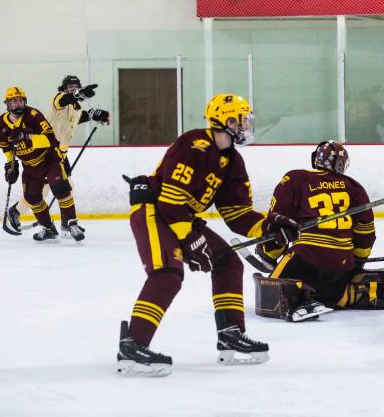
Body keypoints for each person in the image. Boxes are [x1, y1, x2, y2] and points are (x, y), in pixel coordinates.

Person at [117, 94, 300, 376]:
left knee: (228, 261)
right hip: (154, 212)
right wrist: (192, 240)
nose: (245, 127)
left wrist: (270, 227)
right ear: (224, 120)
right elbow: (170, 201)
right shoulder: (195, 145)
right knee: (167, 274)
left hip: (181, 217)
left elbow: (237, 213)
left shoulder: (233, 161)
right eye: (240, 121)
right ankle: (133, 344)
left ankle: (231, 334)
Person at [252, 141, 384, 323]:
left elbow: (277, 222)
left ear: (316, 159)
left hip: (306, 257)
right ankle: (364, 293)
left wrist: (269, 253)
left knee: (269, 294)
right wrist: (357, 262)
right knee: (334, 295)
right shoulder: (354, 186)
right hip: (342, 262)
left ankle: (302, 297)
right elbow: (366, 233)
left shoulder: (295, 178)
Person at [5, 76, 109, 237]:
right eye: (70, 86)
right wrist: (78, 94)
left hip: (60, 154)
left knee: (63, 188)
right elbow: (64, 100)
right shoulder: (58, 99)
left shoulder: (75, 107)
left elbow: (77, 118)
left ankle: (63, 223)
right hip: (47, 153)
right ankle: (17, 211)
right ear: (64, 88)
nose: (73, 89)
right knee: (48, 190)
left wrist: (95, 114)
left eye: (77, 86)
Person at [0, 87, 84, 242]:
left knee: (60, 187)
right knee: (33, 198)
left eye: (21, 100)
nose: (18, 104)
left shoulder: (33, 115)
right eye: (14, 101)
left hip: (49, 159)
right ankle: (48, 229)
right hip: (29, 165)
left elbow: (50, 140)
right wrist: (10, 166)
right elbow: (7, 149)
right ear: (7, 104)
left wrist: (26, 136)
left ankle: (72, 224)